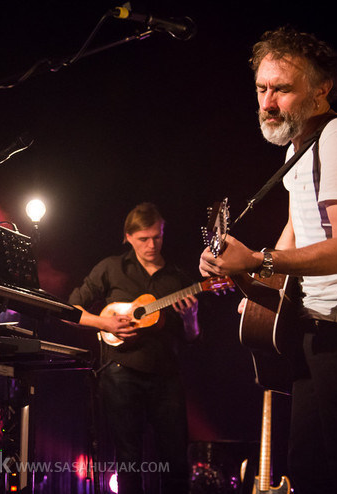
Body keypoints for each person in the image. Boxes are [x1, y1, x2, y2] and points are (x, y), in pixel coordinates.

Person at [199, 27, 337, 493]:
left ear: (321, 89)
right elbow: (283, 269)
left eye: (282, 88)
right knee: (312, 472)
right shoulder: (301, 155)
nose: (267, 102)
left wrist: (256, 259)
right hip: (319, 335)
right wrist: (236, 270)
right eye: (262, 88)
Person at [69, 202, 199, 494]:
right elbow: (71, 308)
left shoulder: (178, 278)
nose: (152, 245)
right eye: (143, 239)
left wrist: (192, 317)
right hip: (120, 372)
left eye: (157, 237)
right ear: (128, 236)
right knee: (128, 459)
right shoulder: (111, 268)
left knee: (176, 460)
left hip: (166, 375)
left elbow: (191, 338)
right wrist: (105, 323)